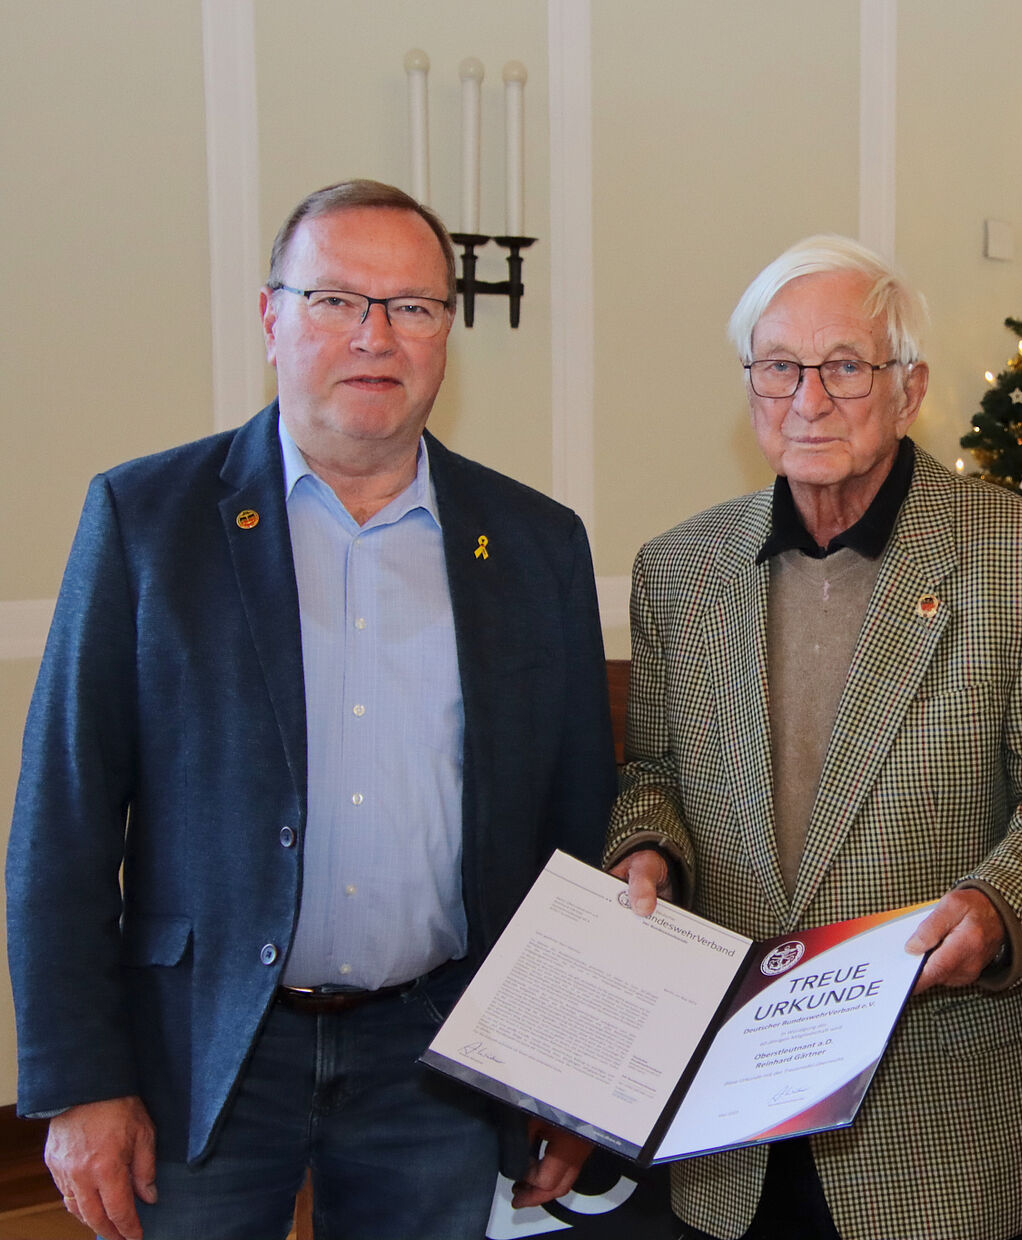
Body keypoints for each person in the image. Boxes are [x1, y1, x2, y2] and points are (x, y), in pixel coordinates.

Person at [7, 179, 617, 1240]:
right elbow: (62, 817)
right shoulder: (148, 520)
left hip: (434, 1054)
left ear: (446, 331)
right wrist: (77, 1081)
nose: (375, 335)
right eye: (336, 300)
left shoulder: (534, 543)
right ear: (271, 318)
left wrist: (570, 1076)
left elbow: (575, 823)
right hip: (203, 1055)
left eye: (413, 306)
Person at [606, 234, 1022, 1240]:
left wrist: (997, 907)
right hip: (731, 1125)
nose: (809, 399)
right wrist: (648, 848)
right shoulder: (680, 569)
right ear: (750, 384)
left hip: (936, 1125)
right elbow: (656, 770)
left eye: (846, 366)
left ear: (910, 386)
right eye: (779, 367)